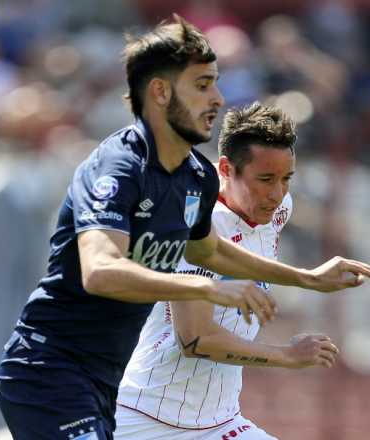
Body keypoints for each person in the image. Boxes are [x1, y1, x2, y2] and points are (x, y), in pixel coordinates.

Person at [0, 16, 370, 440]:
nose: (217, 98)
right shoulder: (119, 167)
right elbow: (100, 271)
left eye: (215, 83)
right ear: (160, 92)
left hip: (112, 383)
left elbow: (208, 252)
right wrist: (207, 290)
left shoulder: (194, 177)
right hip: (51, 371)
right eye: (202, 85)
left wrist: (306, 278)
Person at [113, 102, 331, 439]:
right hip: (148, 419)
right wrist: (287, 356)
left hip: (220, 421)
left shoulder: (278, 210)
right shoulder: (194, 224)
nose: (276, 194)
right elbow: (195, 339)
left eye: (286, 179)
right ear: (227, 169)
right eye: (265, 179)